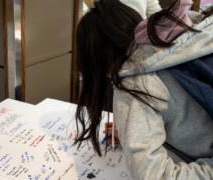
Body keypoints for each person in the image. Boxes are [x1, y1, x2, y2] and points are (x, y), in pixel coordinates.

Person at [73, 0, 213, 179]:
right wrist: (135, 133)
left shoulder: (133, 83)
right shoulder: (185, 33)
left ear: (97, 62)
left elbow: (152, 174)